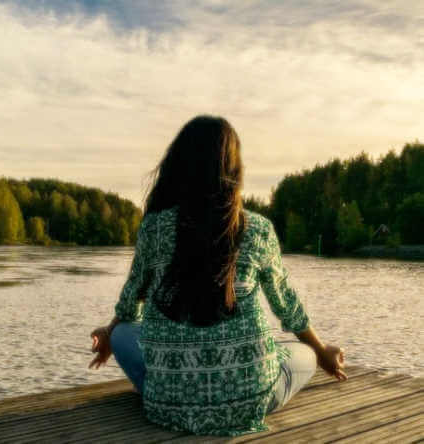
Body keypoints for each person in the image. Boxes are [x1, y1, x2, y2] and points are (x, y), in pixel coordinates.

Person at [88, 115, 347, 437]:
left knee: (125, 332)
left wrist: (110, 333)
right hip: (249, 401)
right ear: (234, 170)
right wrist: (322, 352)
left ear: (178, 166)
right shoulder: (258, 230)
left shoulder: (154, 227)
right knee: (303, 353)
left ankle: (169, 386)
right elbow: (287, 306)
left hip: (167, 405)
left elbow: (130, 302)